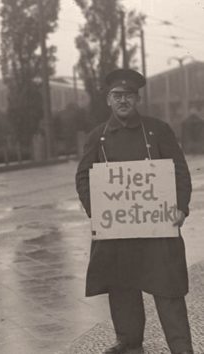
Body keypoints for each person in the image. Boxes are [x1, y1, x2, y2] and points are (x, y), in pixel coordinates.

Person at [75, 69, 193, 354]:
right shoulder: (97, 137)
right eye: (117, 96)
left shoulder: (158, 130)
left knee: (169, 290)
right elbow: (83, 178)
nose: (123, 101)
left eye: (128, 96)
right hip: (119, 232)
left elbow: (179, 171)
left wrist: (180, 207)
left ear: (137, 98)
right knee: (122, 289)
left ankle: (182, 349)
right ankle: (130, 345)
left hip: (158, 229)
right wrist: (100, 211)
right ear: (108, 100)